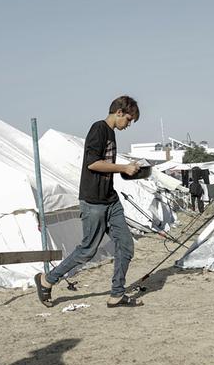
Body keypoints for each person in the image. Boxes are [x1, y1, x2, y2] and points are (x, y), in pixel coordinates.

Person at [35, 96, 143, 308]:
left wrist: (127, 170)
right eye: (129, 120)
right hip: (93, 202)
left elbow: (105, 165)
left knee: (126, 245)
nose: (128, 125)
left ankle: (117, 294)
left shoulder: (111, 133)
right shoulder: (99, 129)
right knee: (87, 250)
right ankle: (47, 280)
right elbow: (93, 163)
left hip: (110, 200)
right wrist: (123, 168)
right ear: (119, 112)